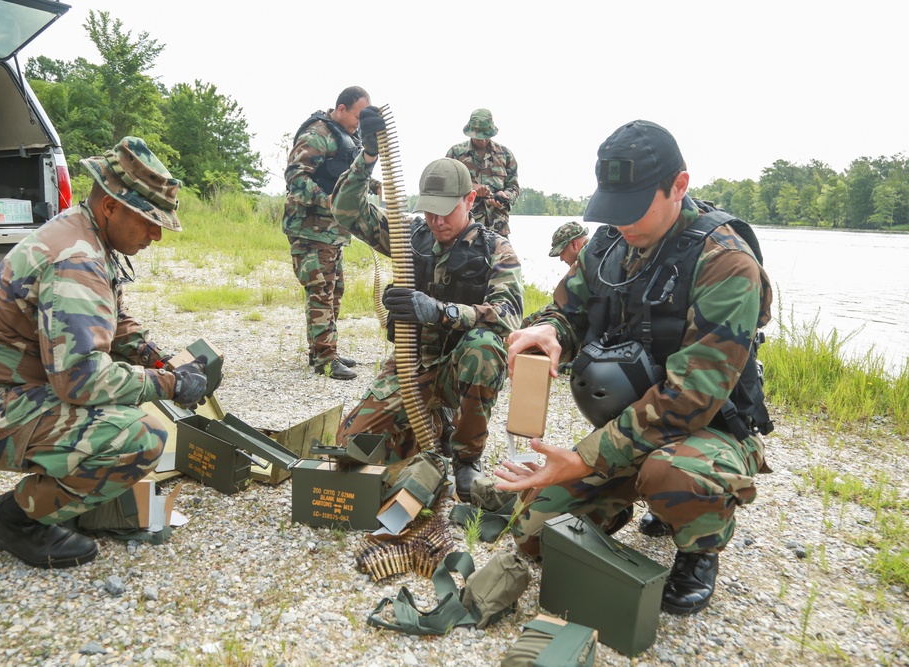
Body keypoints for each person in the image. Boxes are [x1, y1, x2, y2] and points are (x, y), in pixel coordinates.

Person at [495, 120, 773, 615]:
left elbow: (689, 398)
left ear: (679, 186)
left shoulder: (725, 264)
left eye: (636, 206)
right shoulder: (606, 247)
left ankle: (697, 547)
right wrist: (548, 332)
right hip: (628, 426)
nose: (623, 222)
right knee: (533, 534)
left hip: (703, 430)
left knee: (673, 473)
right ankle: (628, 496)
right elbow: (569, 310)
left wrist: (582, 458)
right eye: (613, 208)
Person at [0, 137, 212, 569]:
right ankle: (15, 519)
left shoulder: (83, 234)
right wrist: (169, 384)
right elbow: (82, 381)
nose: (156, 234)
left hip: (6, 395)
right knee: (139, 435)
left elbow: (110, 320)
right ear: (111, 207)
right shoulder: (75, 260)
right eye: (148, 221)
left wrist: (153, 356)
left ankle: (67, 502)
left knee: (127, 417)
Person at [331, 106, 524, 501]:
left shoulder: (496, 250)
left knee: (486, 348)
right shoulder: (409, 236)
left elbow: (508, 318)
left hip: (459, 371)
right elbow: (346, 210)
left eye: (446, 210)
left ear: (470, 199)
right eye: (429, 210)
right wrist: (366, 156)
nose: (436, 221)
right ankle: (432, 429)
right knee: (350, 450)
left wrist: (442, 312)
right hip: (410, 364)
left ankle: (467, 459)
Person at [282, 85, 374, 380]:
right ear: (342, 108)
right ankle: (325, 358)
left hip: (332, 231)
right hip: (308, 229)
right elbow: (295, 178)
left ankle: (323, 350)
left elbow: (346, 178)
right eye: (357, 116)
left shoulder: (349, 138)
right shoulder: (317, 134)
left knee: (335, 291)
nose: (359, 123)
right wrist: (328, 200)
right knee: (320, 291)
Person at [445, 108, 520, 237]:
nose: (483, 141)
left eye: (486, 136)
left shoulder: (506, 155)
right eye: (478, 137)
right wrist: (470, 187)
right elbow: (444, 186)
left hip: (498, 228)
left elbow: (514, 188)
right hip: (465, 228)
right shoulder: (455, 154)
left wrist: (504, 197)